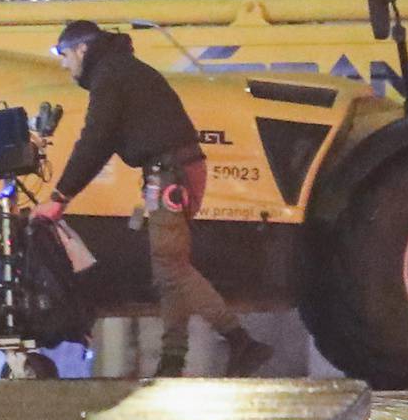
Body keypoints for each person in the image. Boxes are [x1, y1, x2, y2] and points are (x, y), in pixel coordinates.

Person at [31, 20, 272, 377]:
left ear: (83, 49)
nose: (65, 66)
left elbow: (95, 141)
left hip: (170, 174)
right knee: (168, 270)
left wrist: (59, 198)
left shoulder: (110, 76)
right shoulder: (122, 70)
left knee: (171, 266)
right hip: (175, 171)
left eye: (65, 55)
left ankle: (241, 341)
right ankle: (172, 362)